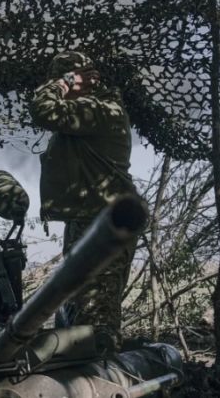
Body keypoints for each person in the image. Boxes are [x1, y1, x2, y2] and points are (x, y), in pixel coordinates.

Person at [28, 51, 138, 352]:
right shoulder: (89, 112)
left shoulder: (99, 110)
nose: (59, 88)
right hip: (90, 221)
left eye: (64, 81)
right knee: (81, 314)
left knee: (96, 320)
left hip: (104, 226)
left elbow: (43, 109)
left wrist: (65, 83)